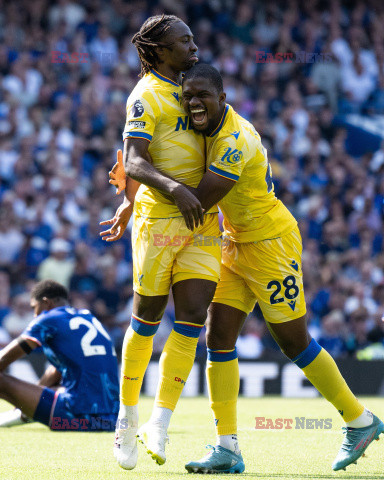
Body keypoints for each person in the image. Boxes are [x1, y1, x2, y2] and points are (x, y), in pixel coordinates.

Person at [110, 63, 383, 474]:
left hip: (271, 244)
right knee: (217, 339)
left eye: (202, 96)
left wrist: (142, 192)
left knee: (294, 343)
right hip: (234, 242)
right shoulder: (206, 132)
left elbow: (196, 202)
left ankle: (359, 420)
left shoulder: (234, 140)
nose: (193, 104)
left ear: (224, 98)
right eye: (187, 98)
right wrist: (132, 192)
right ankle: (228, 447)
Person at [99, 15, 221, 470]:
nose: (193, 45)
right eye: (183, 41)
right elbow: (134, 159)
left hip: (203, 221)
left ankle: (160, 421)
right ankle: (126, 417)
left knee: (191, 317)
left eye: (192, 37)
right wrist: (170, 191)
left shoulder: (195, 86)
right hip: (160, 221)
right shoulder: (144, 95)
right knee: (147, 317)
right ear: (158, 50)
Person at [0, 279, 119, 432]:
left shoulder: (49, 319)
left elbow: (4, 357)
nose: (34, 314)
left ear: (46, 302)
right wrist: (27, 399)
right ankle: (19, 415)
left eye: (34, 308)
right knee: (56, 389)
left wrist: (21, 398)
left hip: (80, 415)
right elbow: (54, 372)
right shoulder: (88, 317)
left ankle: (19, 415)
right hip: (113, 420)